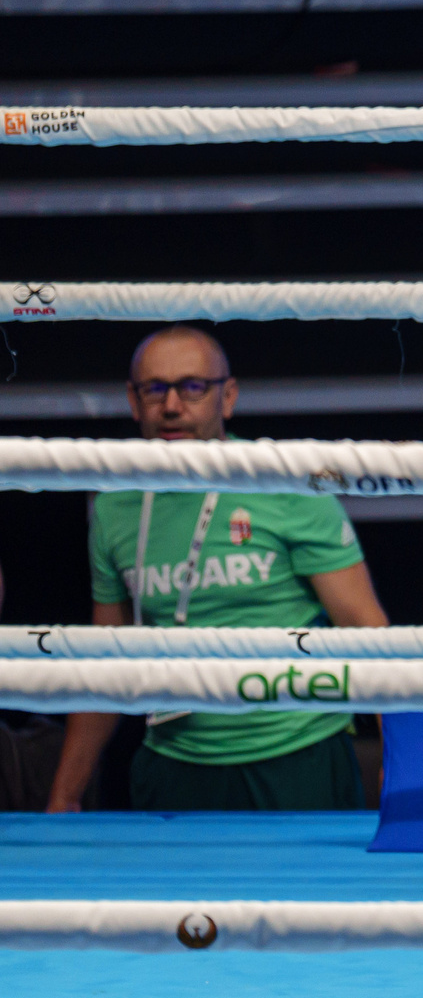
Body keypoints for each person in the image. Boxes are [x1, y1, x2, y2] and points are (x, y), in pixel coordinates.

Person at [46, 325, 390, 813]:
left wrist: (403, 756)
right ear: (133, 400)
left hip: (297, 757)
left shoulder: (283, 483)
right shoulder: (113, 506)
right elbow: (105, 659)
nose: (171, 406)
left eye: (192, 387)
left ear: (226, 397)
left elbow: (366, 629)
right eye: (155, 389)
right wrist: (64, 794)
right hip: (173, 762)